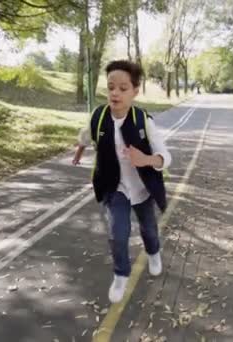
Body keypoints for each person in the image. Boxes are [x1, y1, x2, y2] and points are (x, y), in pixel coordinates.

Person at [72, 60, 171, 303]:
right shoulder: (99, 116)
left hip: (142, 188)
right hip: (115, 187)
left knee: (149, 230)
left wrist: (146, 159)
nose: (115, 93)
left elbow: (166, 157)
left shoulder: (143, 121)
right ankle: (120, 275)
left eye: (123, 88)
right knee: (118, 233)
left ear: (135, 91)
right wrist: (79, 150)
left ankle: (154, 253)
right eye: (111, 87)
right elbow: (86, 135)